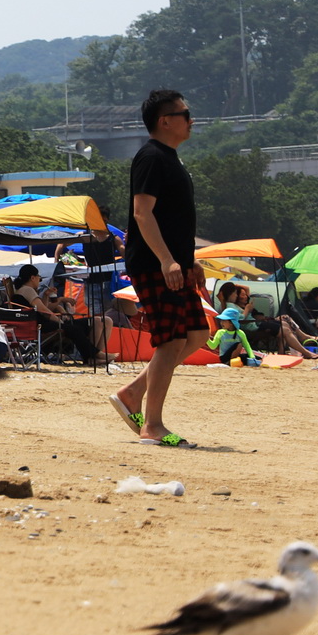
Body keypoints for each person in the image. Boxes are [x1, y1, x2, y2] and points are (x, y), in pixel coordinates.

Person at [110, 90, 210, 447]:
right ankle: (152, 426)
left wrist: (188, 259)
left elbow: (173, 220)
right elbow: (142, 213)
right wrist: (167, 260)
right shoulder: (151, 157)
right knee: (171, 340)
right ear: (165, 121)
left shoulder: (170, 159)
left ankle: (132, 393)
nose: (191, 120)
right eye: (185, 114)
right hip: (154, 265)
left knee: (197, 334)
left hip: (173, 265)